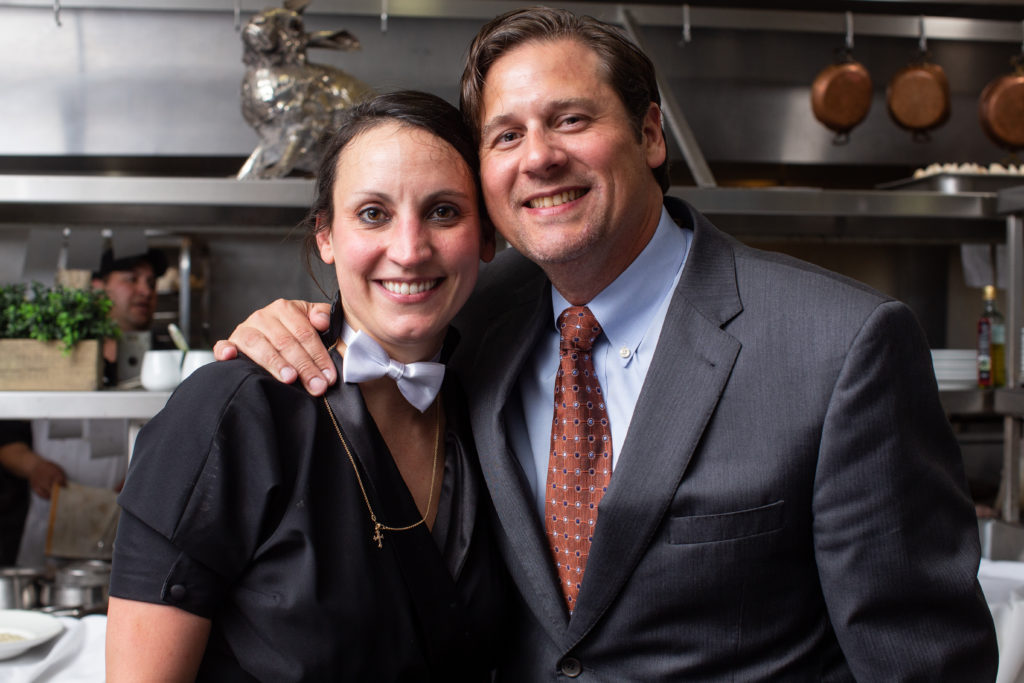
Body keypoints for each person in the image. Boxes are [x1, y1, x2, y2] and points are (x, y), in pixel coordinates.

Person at [216, 8, 998, 680]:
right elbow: (379, 314)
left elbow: (922, 661)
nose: (539, 157)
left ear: (650, 133)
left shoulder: (841, 346)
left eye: (571, 120)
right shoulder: (472, 323)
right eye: (506, 134)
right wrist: (294, 327)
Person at [105, 90, 509, 681]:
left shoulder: (490, 407)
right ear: (326, 236)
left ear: (488, 236)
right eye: (373, 214)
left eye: (444, 211)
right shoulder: (232, 411)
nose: (409, 250)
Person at [0, 246, 167, 568]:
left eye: (151, 282)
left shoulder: (166, 363)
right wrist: (34, 467)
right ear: (97, 287)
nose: (146, 291)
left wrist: (148, 476)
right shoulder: (55, 351)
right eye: (131, 279)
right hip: (50, 522)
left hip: (130, 527)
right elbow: (6, 434)